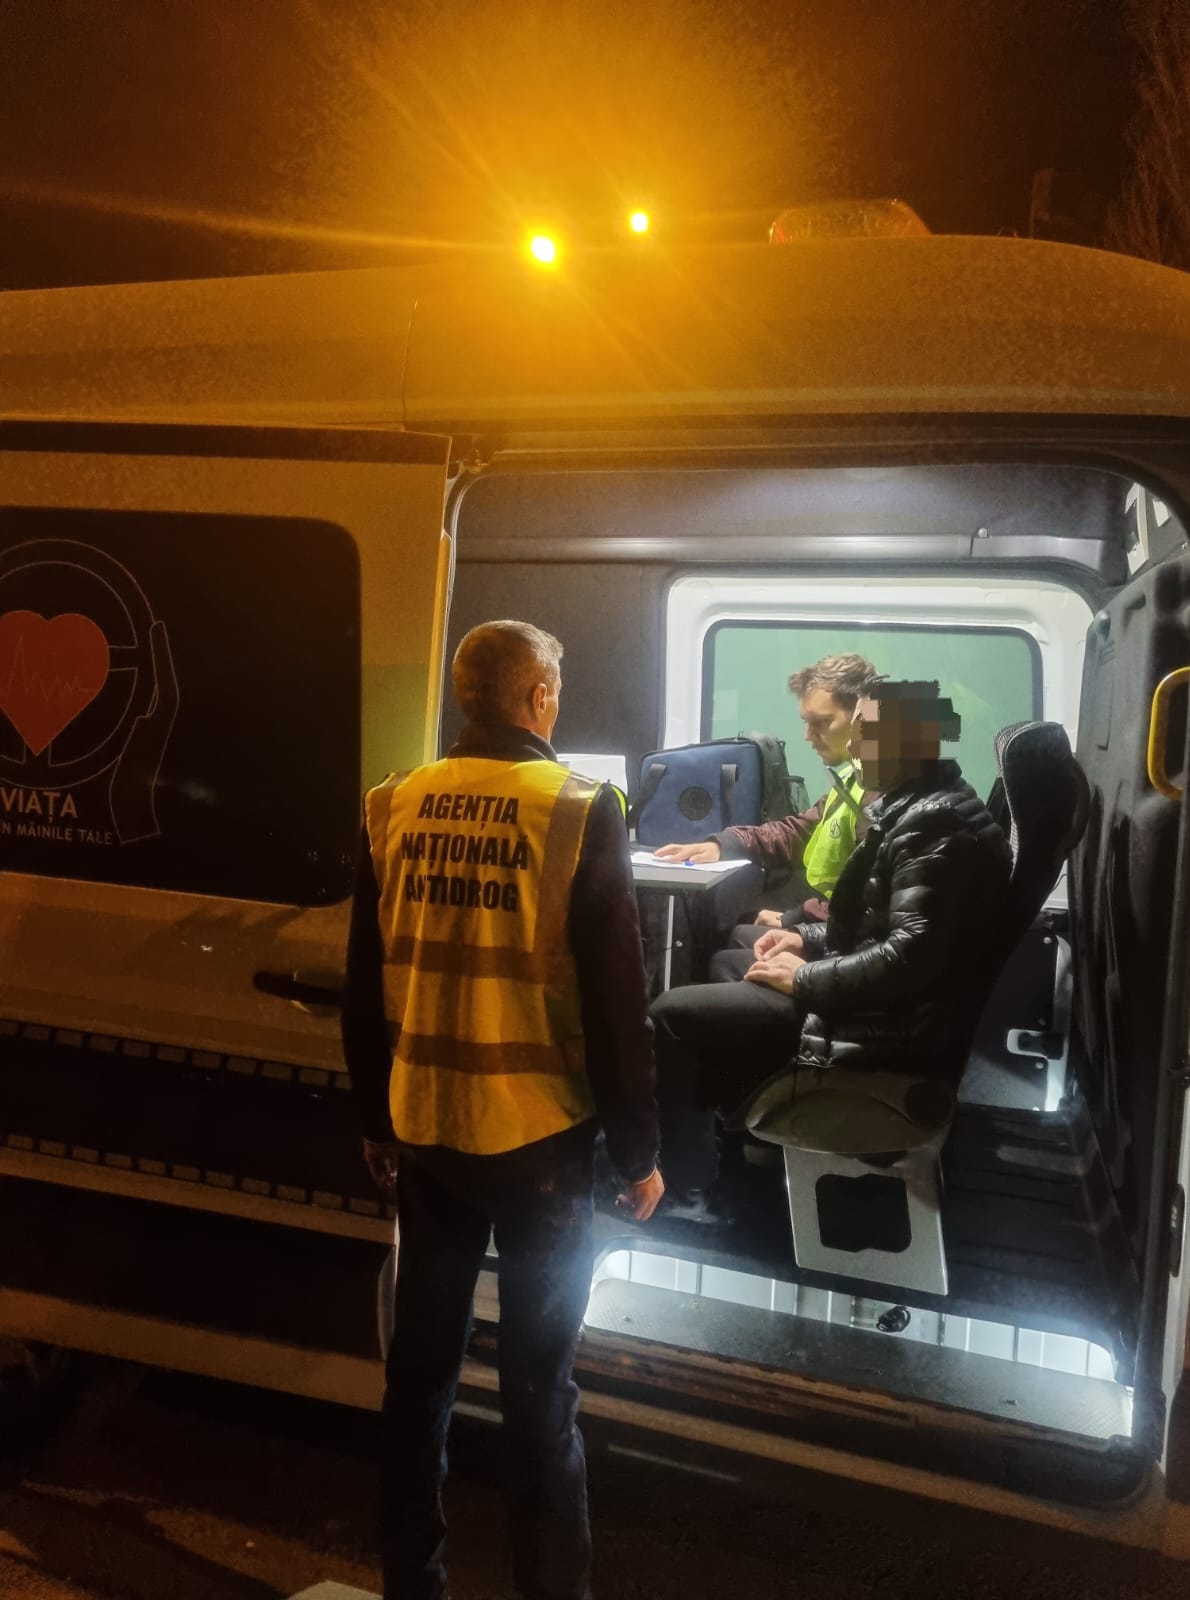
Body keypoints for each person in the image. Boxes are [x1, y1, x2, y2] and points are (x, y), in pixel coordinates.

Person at [342, 619, 663, 1600]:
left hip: (428, 1132)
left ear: (465, 696)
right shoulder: (578, 806)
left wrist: (376, 1118)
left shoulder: (393, 801)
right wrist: (639, 1149)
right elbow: (616, 1000)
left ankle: (413, 1582)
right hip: (542, 1148)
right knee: (538, 1393)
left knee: (418, 1380)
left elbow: (364, 980)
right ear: (540, 699)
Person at [649, 678, 1009, 1209]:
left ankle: (686, 1189)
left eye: (866, 733)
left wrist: (802, 977)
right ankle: (737, 1135)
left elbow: (907, 957)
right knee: (735, 962)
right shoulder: (919, 805)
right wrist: (804, 934)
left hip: (883, 1030)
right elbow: (879, 926)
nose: (854, 746)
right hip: (887, 1010)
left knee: (669, 1015)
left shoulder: (934, 827)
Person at [652, 654, 877, 949]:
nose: (807, 735)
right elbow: (797, 832)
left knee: (732, 950)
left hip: (850, 943)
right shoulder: (854, 780)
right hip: (834, 925)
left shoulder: (881, 794)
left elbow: (871, 905)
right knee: (738, 931)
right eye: (806, 722)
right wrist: (724, 844)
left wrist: (798, 921)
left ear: (863, 718)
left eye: (821, 722)